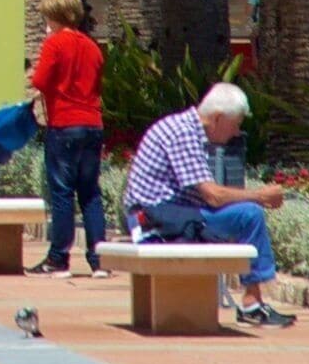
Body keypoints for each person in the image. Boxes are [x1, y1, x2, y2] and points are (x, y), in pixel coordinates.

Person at [123, 82, 294, 326]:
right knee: (250, 214)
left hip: (171, 213)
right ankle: (252, 305)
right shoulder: (182, 132)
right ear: (217, 118)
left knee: (247, 213)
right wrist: (260, 196)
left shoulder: (185, 128)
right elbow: (212, 196)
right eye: (235, 124)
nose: (236, 132)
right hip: (157, 220)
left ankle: (253, 302)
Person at [28, 0, 106, 277]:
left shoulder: (54, 43)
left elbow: (41, 80)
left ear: (55, 14)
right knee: (90, 192)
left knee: (62, 192)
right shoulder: (92, 46)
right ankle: (100, 258)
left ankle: (58, 256)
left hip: (64, 123)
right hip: (92, 123)